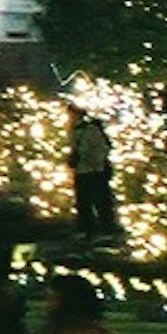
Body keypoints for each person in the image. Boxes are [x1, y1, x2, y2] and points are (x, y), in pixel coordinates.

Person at [67, 103, 121, 245]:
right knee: (84, 202)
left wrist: (89, 161)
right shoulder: (75, 130)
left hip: (94, 171)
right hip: (84, 170)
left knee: (99, 201)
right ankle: (89, 229)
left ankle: (104, 229)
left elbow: (100, 150)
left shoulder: (90, 130)